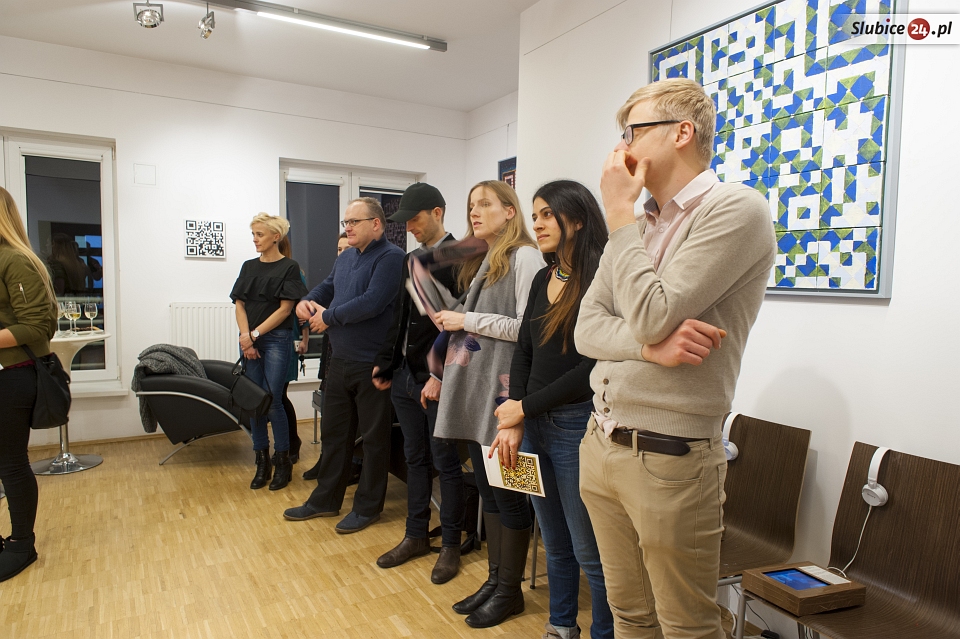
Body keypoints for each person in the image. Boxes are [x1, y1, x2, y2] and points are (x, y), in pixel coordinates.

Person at [574, 78, 776, 639]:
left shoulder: (736, 209)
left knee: (687, 626)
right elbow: (587, 328)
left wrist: (618, 213)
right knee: (628, 614)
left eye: (633, 132)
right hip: (602, 441)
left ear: (682, 132)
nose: (622, 149)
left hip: (672, 455)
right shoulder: (639, 225)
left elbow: (652, 312)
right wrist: (648, 350)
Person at [491, 180, 613, 639]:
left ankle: (605, 632)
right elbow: (524, 349)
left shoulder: (601, 277)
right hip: (534, 424)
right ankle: (561, 626)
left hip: (576, 426)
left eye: (547, 214)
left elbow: (590, 368)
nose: (537, 224)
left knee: (589, 551)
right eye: (535, 214)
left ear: (576, 220)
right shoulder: (545, 277)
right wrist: (516, 415)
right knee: (554, 542)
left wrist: (523, 407)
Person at [432, 180, 544, 629]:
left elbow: (528, 329)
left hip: (507, 398)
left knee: (509, 497)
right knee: (491, 494)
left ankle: (510, 591)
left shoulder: (526, 257)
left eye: (484, 204)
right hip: (482, 395)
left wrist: (467, 319)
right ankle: (497, 580)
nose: (474, 212)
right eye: (471, 206)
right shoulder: (487, 258)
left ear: (510, 211)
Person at [284, 198, 404, 534]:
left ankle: (367, 508)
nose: (347, 227)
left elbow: (372, 302)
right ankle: (324, 500)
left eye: (354, 222)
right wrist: (308, 300)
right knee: (335, 436)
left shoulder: (392, 258)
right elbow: (328, 287)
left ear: (376, 224)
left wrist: (329, 317)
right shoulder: (347, 256)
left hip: (372, 364)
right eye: (345, 222)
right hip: (340, 360)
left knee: (374, 441)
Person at [371, 183, 465, 584]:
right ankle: (416, 535)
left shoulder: (463, 258)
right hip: (405, 378)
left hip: (438, 381)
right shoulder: (411, 259)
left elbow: (465, 329)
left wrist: (441, 375)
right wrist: (386, 363)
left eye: (415, 219)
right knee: (414, 459)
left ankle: (451, 544)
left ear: (437, 213)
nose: (409, 227)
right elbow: (400, 317)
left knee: (445, 462)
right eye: (405, 221)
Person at [0, 186, 59, 582]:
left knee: (10, 462)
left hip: (14, 374)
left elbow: (39, 326)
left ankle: (22, 544)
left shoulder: (16, 260)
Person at [230, 213, 308, 491]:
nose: (255, 239)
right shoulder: (248, 266)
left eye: (259, 234)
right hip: (249, 340)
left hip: (276, 340)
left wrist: (254, 335)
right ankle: (261, 461)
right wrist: (246, 338)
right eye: (253, 234)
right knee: (255, 402)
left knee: (274, 400)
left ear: (276, 237)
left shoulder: (289, 267)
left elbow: (285, 310)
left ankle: (283, 461)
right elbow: (239, 305)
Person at [278, 235, 310, 464]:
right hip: (269, 342)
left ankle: (292, 443)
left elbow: (303, 310)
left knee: (280, 396)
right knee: (274, 397)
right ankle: (284, 444)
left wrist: (305, 339)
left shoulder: (294, 272)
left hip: (287, 340)